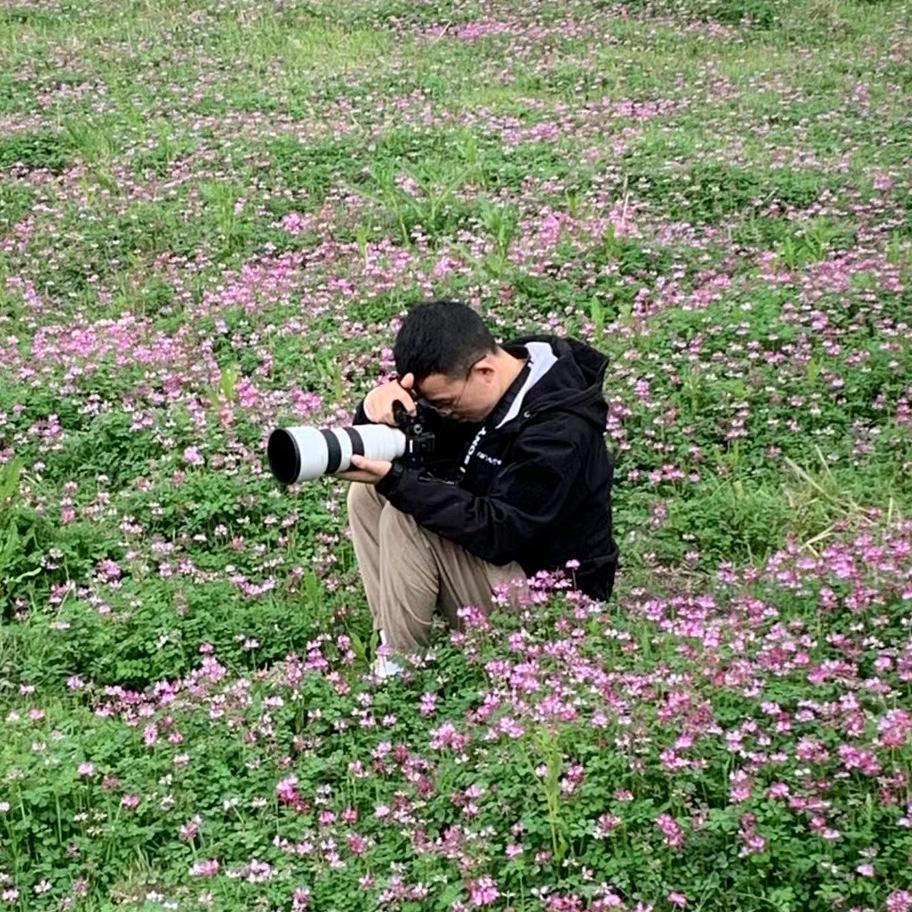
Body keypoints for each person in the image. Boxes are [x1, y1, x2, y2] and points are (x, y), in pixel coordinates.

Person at [340, 300, 618, 678]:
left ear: (485, 370)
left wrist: (401, 483)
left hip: (552, 601)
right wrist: (374, 412)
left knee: (406, 515)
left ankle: (399, 674)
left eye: (445, 404)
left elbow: (501, 532)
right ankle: (392, 636)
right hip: (499, 567)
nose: (444, 414)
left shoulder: (559, 430)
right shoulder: (492, 379)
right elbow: (421, 447)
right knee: (367, 496)